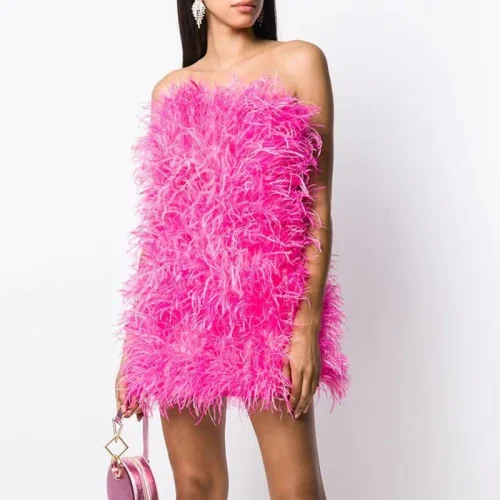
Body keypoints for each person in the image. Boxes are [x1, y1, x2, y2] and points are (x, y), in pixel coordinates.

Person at [114, 1, 349, 498]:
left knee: (296, 488)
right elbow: (163, 222)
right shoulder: (171, 90)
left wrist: (306, 327)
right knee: (195, 486)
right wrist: (135, 347)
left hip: (271, 306)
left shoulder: (299, 61)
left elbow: (318, 206)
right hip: (179, 311)